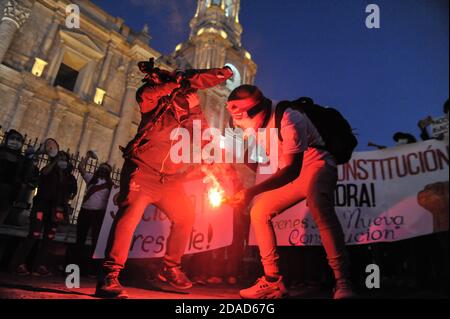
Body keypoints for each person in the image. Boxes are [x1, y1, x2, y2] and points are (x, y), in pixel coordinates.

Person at [95, 58, 233, 298]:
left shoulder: (189, 114)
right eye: (185, 93)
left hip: (170, 180)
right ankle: (110, 274)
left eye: (190, 94)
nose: (187, 96)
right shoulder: (155, 104)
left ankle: (171, 267)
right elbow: (146, 94)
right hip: (142, 171)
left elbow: (203, 136)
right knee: (128, 217)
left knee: (185, 216)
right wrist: (174, 82)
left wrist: (195, 109)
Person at [226, 85, 355, 299]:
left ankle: (344, 283)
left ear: (255, 112)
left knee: (321, 210)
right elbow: (261, 164)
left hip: (317, 164)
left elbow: (292, 171)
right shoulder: (252, 125)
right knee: (259, 212)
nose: (242, 129)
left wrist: (250, 192)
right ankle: (272, 281)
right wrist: (236, 155)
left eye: (242, 123)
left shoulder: (289, 118)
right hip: (291, 170)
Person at [9, 151, 77, 276]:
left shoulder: (69, 177)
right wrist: (54, 161)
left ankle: (39, 266)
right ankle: (19, 263)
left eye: (64, 158)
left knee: (49, 237)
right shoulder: (49, 170)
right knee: (34, 234)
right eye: (59, 157)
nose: (62, 160)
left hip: (56, 209)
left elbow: (72, 192)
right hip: (42, 206)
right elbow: (44, 172)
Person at [74, 152, 113, 275]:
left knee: (96, 242)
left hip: (98, 215)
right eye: (101, 169)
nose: (103, 171)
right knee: (80, 240)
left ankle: (92, 270)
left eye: (105, 170)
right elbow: (81, 168)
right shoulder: (91, 179)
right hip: (85, 211)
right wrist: (87, 157)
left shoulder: (111, 186)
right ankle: (75, 268)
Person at [0, 129, 26, 224]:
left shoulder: (21, 159)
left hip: (9, 191)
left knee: (3, 213)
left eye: (18, 139)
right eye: (13, 138)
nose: (15, 141)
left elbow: (25, 175)